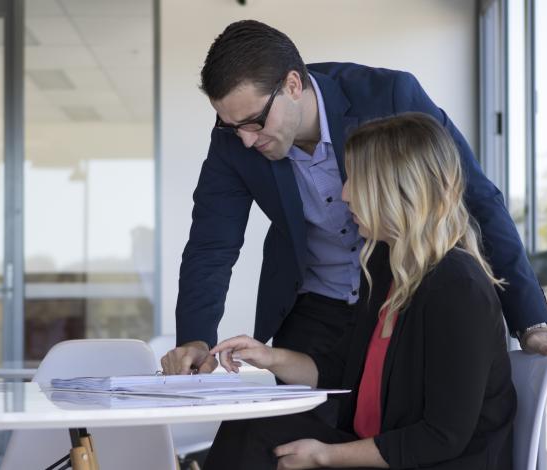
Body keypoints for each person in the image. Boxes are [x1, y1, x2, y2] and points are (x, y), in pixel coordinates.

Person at [161, 19, 547, 376]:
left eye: (254, 122)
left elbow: (476, 198)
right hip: (315, 308)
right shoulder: (231, 139)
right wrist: (196, 339)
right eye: (232, 126)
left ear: (292, 84)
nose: (246, 140)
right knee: (260, 440)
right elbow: (210, 246)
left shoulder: (389, 97)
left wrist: (530, 322)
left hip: (402, 300)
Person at [204, 112, 518, 470]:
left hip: (436, 462)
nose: (344, 194)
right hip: (391, 452)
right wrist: (266, 357)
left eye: (356, 180)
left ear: (399, 188)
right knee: (248, 428)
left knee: (257, 444)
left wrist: (325, 455)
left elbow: (442, 437)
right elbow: (337, 371)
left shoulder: (458, 287)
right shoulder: (387, 267)